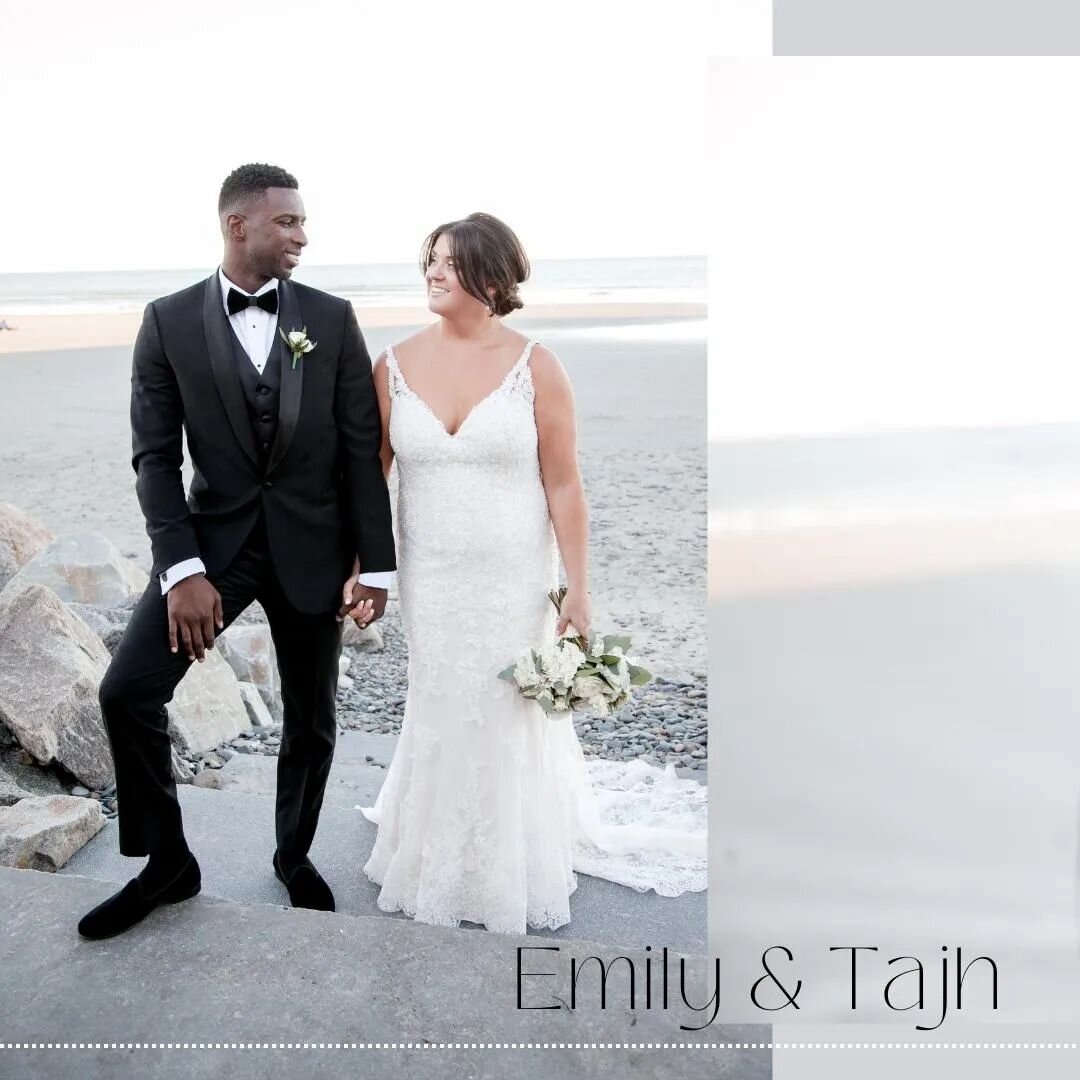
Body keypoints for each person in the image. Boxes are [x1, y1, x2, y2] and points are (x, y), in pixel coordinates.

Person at [359, 213, 705, 935]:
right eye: (431, 259)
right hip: (434, 576)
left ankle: (506, 860)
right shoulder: (390, 366)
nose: (433, 272)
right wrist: (366, 571)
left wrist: (578, 588)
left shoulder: (536, 366)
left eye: (450, 262)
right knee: (441, 697)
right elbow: (372, 478)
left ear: (490, 277)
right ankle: (434, 848)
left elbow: (566, 487)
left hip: (514, 577)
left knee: (506, 708)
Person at [77, 164, 396, 940]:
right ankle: (167, 866)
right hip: (209, 551)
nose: (302, 235)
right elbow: (154, 459)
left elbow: (362, 450)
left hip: (315, 550)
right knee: (127, 693)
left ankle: (294, 856)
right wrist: (182, 569)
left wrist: (375, 563)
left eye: (303, 221)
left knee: (312, 719)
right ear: (238, 225)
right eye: (288, 221)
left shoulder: (331, 316)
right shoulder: (168, 321)